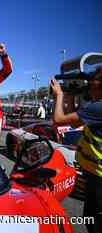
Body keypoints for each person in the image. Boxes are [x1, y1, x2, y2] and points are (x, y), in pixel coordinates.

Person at [50, 68, 102, 233]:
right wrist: (71, 96)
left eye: (92, 80)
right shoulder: (96, 107)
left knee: (95, 222)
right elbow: (74, 123)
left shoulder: (98, 107)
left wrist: (59, 95)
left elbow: (58, 120)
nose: (88, 83)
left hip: (99, 179)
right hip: (94, 175)